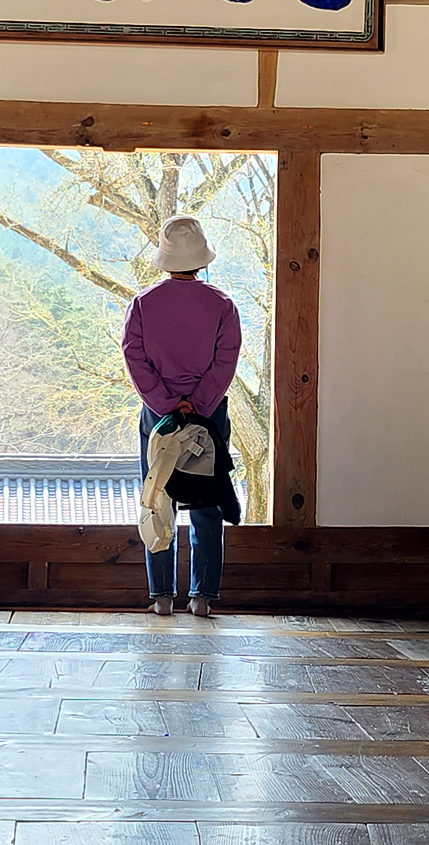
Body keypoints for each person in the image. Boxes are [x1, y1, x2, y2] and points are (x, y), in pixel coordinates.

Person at [121, 215, 242, 618]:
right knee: (207, 501)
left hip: (159, 416)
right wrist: (198, 404)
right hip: (209, 413)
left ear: (165, 258)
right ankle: (202, 597)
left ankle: (161, 596)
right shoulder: (223, 306)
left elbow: (135, 357)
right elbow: (225, 361)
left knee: (158, 497)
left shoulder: (143, 304)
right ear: (202, 259)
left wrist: (167, 402)